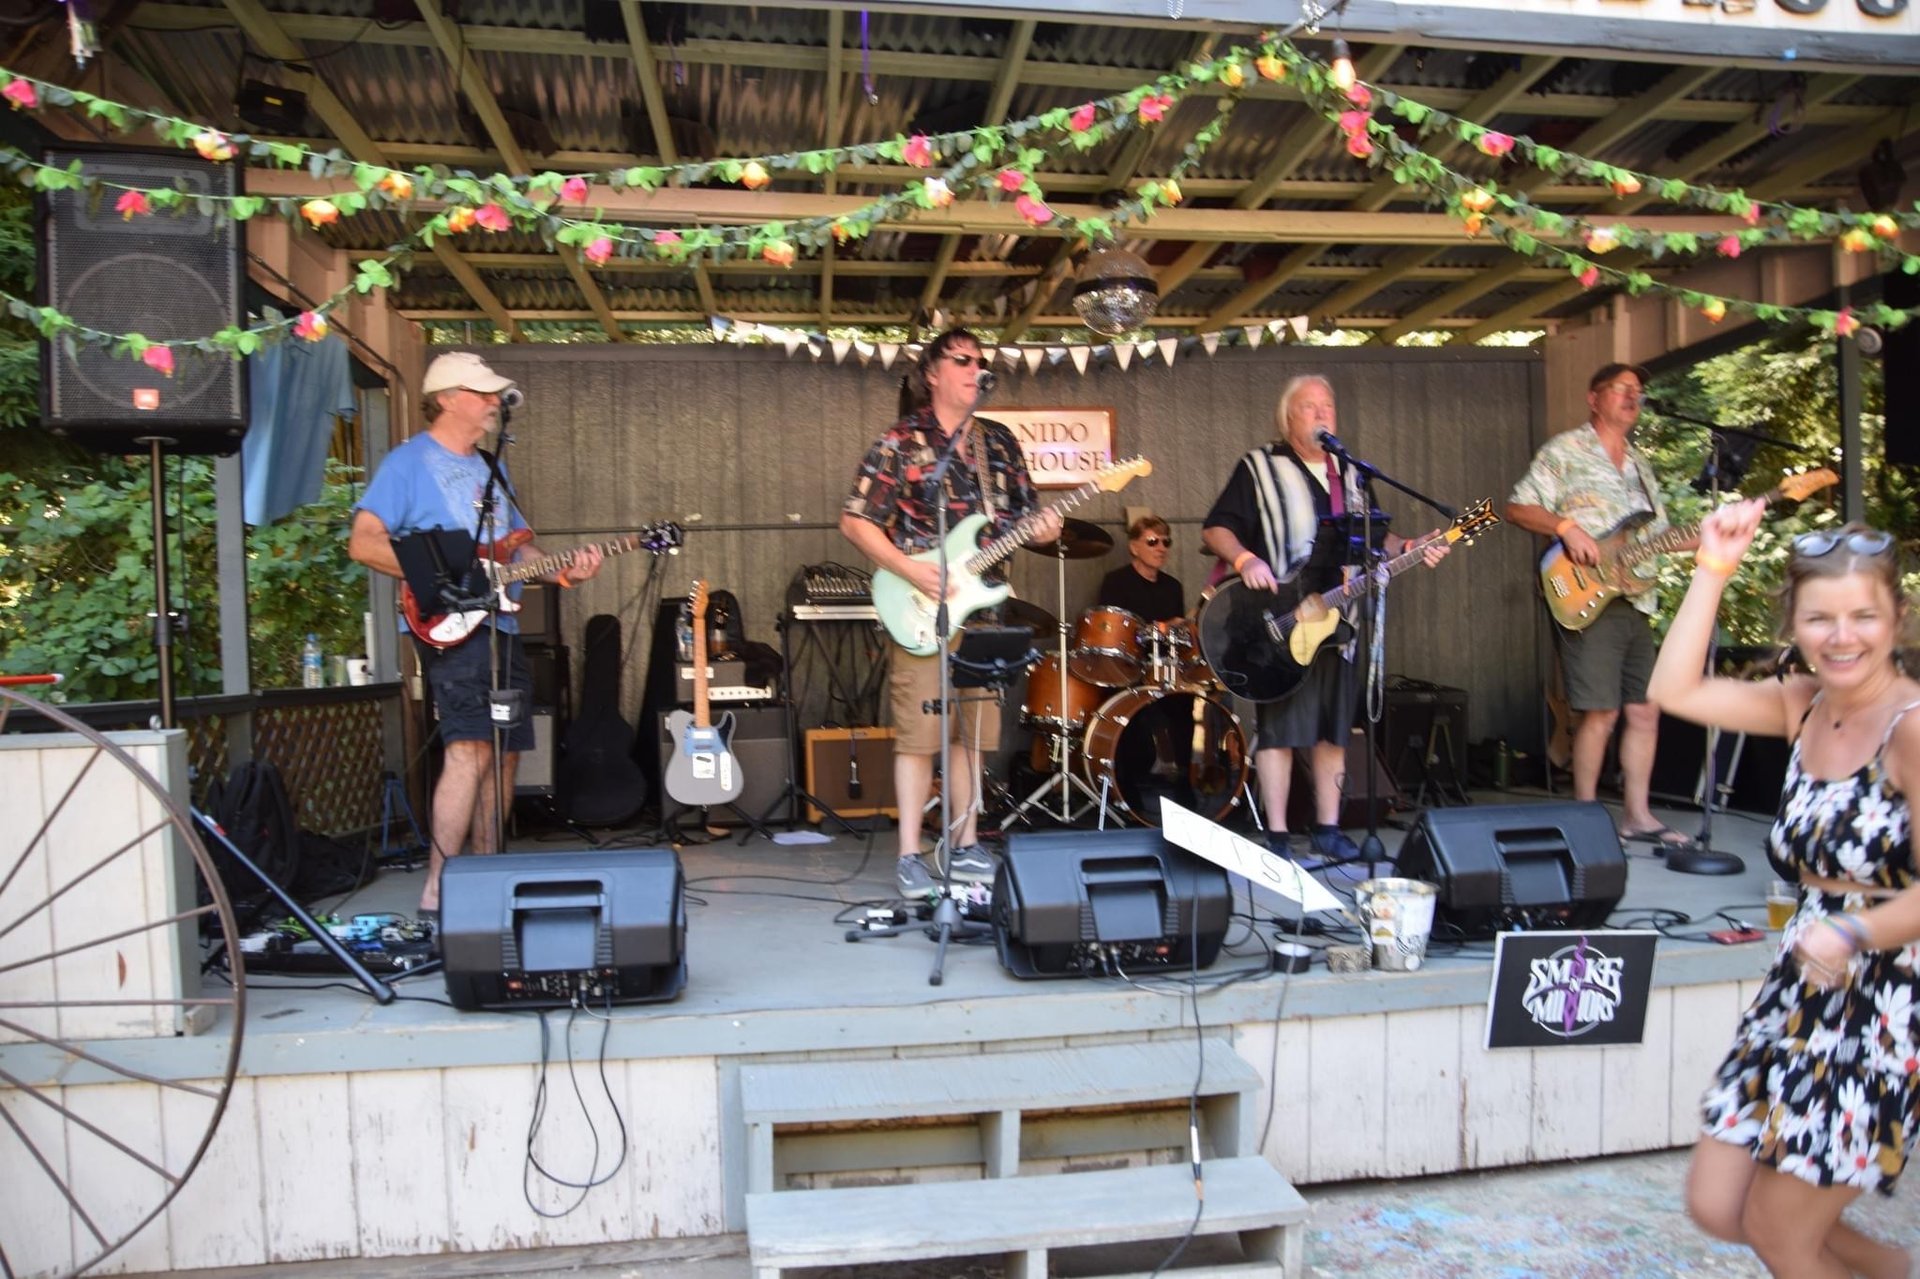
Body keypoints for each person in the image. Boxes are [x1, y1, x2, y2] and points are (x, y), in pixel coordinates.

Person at [1650, 506, 1920, 1279]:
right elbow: (1675, 689)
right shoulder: (1801, 703)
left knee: (1779, 1231)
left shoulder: (1910, 727)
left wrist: (1853, 933)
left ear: (1896, 617)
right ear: (1795, 624)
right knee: (1718, 1204)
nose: (1843, 636)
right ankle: (1896, 1268)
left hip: (1887, 999)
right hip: (1801, 988)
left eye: (1864, 616)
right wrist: (1712, 568)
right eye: (1821, 618)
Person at [348, 352, 603, 915]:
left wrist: (562, 567)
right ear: (446, 399)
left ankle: (490, 873)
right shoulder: (406, 464)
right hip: (450, 627)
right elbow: (363, 542)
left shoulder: (493, 468)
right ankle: (439, 888)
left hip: (501, 626)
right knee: (467, 748)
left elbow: (517, 548)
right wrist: (443, 576)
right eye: (483, 393)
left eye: (494, 395)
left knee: (505, 752)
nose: (494, 402)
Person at [840, 327, 1062, 896]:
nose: (975, 369)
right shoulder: (902, 440)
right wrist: (911, 569)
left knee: (974, 735)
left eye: (981, 362)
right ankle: (911, 854)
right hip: (919, 608)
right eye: (962, 360)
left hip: (985, 612)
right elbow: (856, 520)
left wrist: (1044, 529)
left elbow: (1023, 522)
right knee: (919, 735)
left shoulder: (1000, 443)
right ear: (933, 373)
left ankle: (964, 846)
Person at [1201, 374, 1445, 863]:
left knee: (1334, 728)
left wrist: (1414, 548)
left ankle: (1329, 827)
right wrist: (1247, 559)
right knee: (1282, 730)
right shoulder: (1260, 467)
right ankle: (1277, 833)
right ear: (1288, 417)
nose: (1321, 414)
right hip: (1282, 620)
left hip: (1340, 622)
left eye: (1328, 406)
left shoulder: (1352, 475)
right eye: (1310, 406)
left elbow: (1380, 541)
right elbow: (1216, 528)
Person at [1505, 362, 1698, 851]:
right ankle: (1585, 816)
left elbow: (1658, 538)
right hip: (1586, 596)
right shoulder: (1566, 450)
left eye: (1639, 391)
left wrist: (1707, 539)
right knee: (1600, 712)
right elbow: (1517, 507)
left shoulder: (1640, 466)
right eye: (1622, 389)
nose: (1634, 397)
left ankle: (1636, 815)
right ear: (1594, 398)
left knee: (1645, 711)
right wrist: (1567, 528)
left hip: (1637, 598)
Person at [1097, 515, 1184, 623]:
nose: (1162, 548)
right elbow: (1110, 630)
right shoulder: (1115, 582)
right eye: (1152, 542)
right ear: (1134, 548)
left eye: (1166, 542)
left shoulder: (1173, 586)